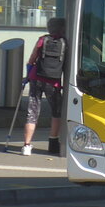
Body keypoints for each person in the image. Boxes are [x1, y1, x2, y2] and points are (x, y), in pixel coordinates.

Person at [23, 17, 67, 156]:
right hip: (53, 82)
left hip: (36, 78)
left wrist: (27, 75)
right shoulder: (65, 43)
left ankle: (27, 146)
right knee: (56, 111)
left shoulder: (42, 40)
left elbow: (32, 59)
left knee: (32, 112)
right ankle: (53, 143)